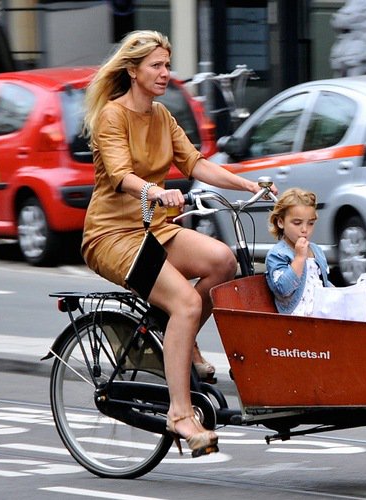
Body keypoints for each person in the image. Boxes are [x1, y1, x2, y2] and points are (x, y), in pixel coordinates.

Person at [80, 30, 271, 458]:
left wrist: (247, 184)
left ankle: (174, 338)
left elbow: (197, 163)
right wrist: (154, 192)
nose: (166, 73)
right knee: (185, 302)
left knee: (222, 262)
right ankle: (180, 414)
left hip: (156, 230)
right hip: (113, 236)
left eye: (168, 65)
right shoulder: (114, 116)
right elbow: (120, 175)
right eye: (157, 66)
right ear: (133, 71)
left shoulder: (162, 116)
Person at [265, 188, 333, 315]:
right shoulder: (278, 254)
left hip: (322, 311)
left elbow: (321, 283)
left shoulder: (316, 250)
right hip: (297, 316)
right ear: (280, 222)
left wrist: (340, 295)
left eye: (311, 223)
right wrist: (300, 258)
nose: (304, 229)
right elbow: (283, 289)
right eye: (297, 223)